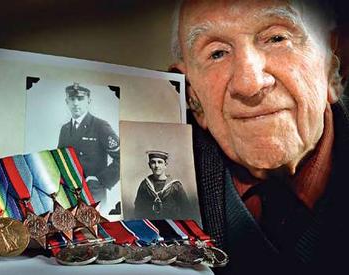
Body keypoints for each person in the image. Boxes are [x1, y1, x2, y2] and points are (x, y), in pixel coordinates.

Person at [171, 0, 347, 274]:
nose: (249, 84)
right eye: (217, 53)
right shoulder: (160, 197)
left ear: (333, 71)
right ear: (192, 96)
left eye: (277, 38)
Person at [58, 82, 120, 205]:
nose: (75, 103)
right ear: (67, 102)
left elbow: (122, 158)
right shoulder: (65, 129)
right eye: (72, 99)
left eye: (80, 99)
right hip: (69, 192)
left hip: (93, 193)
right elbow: (61, 158)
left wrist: (101, 180)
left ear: (88, 101)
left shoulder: (100, 126)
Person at [134, 150, 190, 219]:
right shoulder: (145, 185)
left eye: (160, 162)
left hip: (172, 224)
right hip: (152, 224)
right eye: (153, 162)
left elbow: (186, 209)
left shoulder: (175, 186)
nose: (157, 166)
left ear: (165, 165)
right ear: (149, 165)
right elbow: (138, 209)